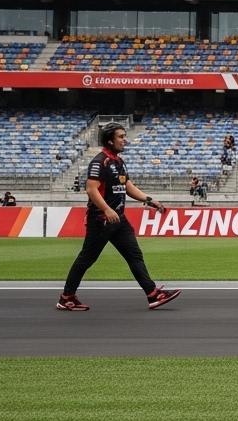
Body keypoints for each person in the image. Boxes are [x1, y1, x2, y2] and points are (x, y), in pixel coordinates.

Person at [57, 123, 180, 312]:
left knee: (134, 255)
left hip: (119, 219)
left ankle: (153, 294)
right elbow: (91, 189)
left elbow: (127, 186)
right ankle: (66, 297)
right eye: (121, 137)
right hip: (101, 220)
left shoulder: (119, 162)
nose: (125, 140)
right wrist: (106, 209)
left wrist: (149, 200)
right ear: (109, 140)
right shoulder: (100, 162)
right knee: (87, 258)